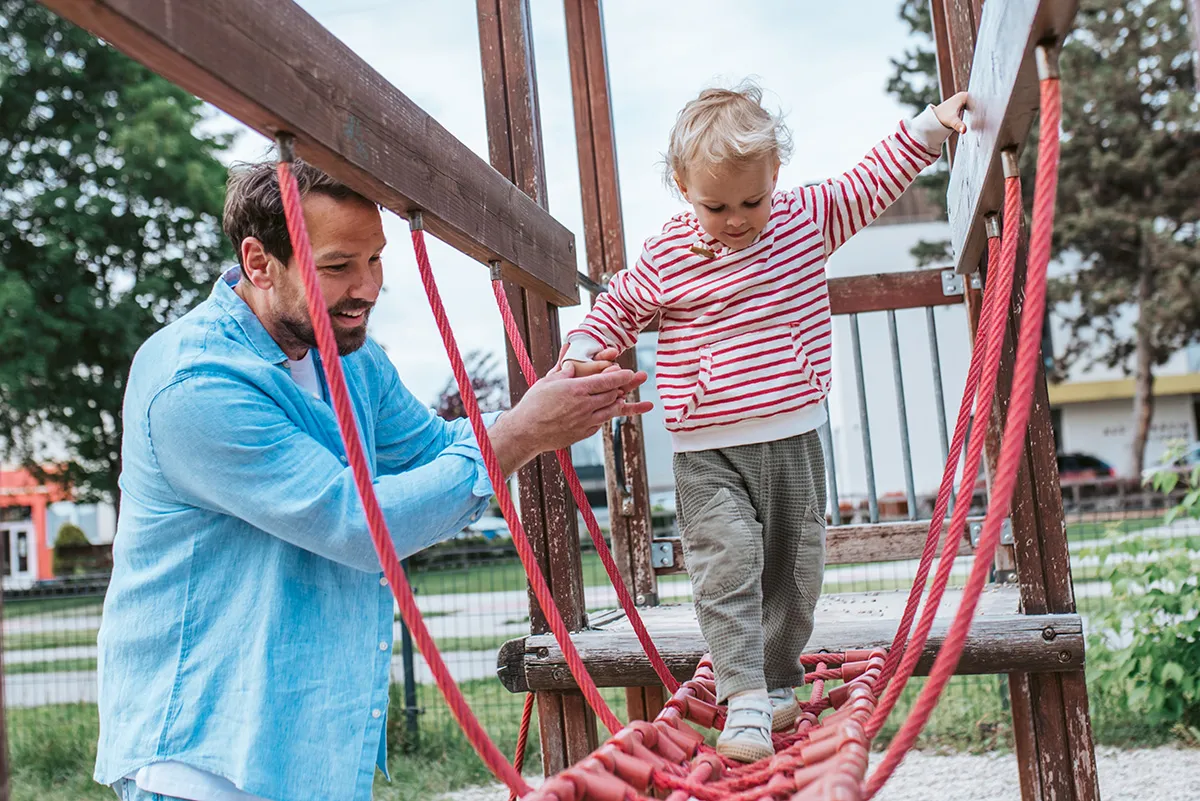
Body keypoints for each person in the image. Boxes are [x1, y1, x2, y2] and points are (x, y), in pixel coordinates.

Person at [93, 159, 652, 801]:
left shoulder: (352, 357)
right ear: (258, 262)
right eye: (337, 266)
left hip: (302, 749)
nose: (367, 287)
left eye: (376, 260)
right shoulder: (194, 384)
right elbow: (356, 523)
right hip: (201, 763)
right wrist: (525, 431)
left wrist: (549, 406)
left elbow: (436, 449)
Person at [561, 81, 968, 763]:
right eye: (714, 205)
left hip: (793, 435)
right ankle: (743, 691)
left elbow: (871, 181)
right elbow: (621, 303)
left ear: (775, 175)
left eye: (751, 200)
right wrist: (582, 348)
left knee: (794, 567)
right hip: (708, 446)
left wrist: (930, 127)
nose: (736, 218)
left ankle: (778, 674)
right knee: (726, 562)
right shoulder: (669, 253)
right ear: (684, 189)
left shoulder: (806, 219)